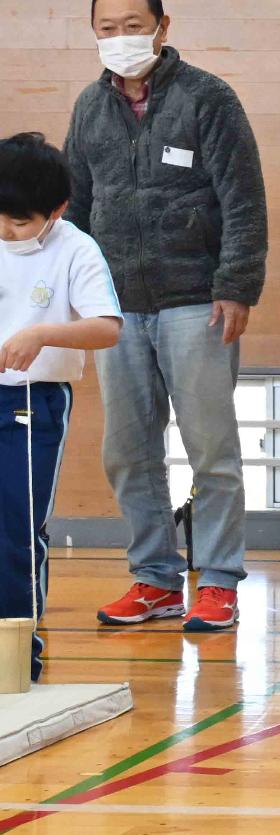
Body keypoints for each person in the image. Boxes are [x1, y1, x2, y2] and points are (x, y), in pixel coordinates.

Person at [65, 0, 269, 635]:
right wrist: (80, 296)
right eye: (107, 28)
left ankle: (217, 580)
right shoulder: (90, 111)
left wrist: (236, 285)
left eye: (132, 25)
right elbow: (77, 210)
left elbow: (243, 201)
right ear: (94, 33)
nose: (120, 39)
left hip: (197, 303)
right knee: (128, 451)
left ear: (162, 25)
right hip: (117, 309)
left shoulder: (208, 99)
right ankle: (154, 578)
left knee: (211, 449)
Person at [0, 134, 124, 682]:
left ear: (57, 211)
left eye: (20, 222)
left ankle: (15, 650)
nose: (7, 231)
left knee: (17, 527)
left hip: (32, 404)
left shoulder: (76, 248)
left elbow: (106, 328)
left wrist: (44, 334)